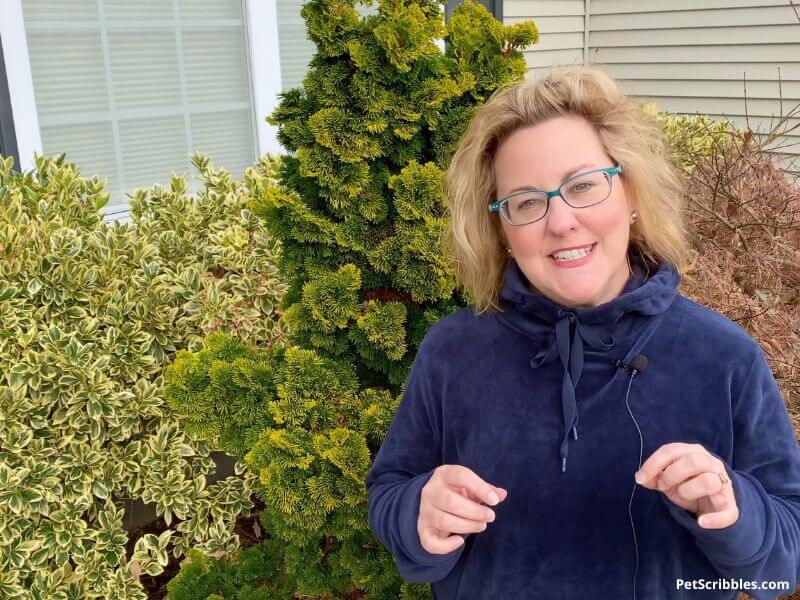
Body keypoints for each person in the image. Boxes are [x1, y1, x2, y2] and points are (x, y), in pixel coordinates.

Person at [364, 64, 800, 599]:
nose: (561, 221)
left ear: (632, 193)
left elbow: (786, 561)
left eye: (584, 185)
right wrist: (417, 514)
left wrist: (735, 512)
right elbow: (390, 493)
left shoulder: (723, 356)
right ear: (500, 230)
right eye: (526, 202)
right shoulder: (452, 352)